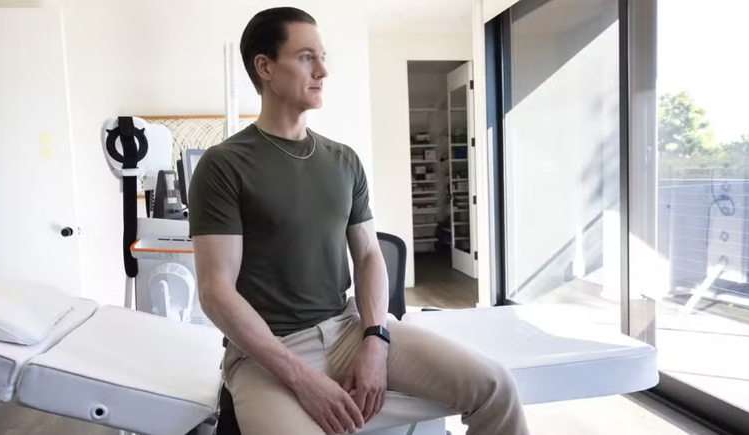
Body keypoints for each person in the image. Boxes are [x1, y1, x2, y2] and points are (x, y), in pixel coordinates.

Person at [188, 7, 529, 435]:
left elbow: (368, 255)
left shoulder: (343, 160)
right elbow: (216, 292)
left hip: (347, 330)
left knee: (496, 387)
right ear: (265, 67)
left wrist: (376, 338)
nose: (323, 70)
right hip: (265, 354)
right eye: (306, 57)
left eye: (323, 57)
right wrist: (302, 378)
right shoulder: (223, 165)